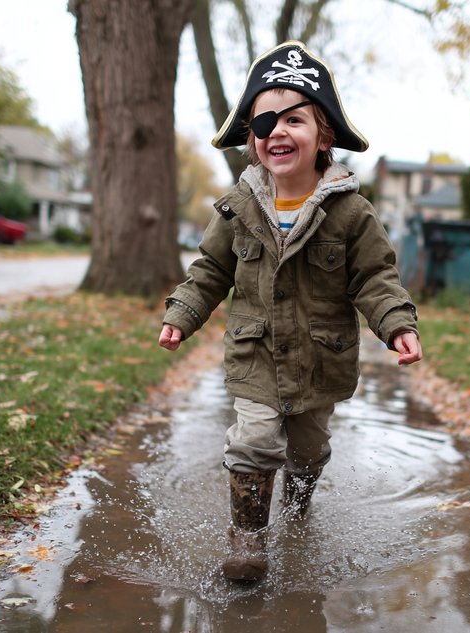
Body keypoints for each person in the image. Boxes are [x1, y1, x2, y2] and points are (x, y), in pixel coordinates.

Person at [158, 40, 422, 582]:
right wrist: (182, 314)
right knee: (253, 440)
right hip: (256, 353)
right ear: (253, 142)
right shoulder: (238, 209)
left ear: (323, 136)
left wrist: (396, 323)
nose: (277, 131)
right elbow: (210, 269)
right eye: (264, 122)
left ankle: (298, 503)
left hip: (319, 358)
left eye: (294, 119)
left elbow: (374, 276)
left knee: (308, 447)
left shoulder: (350, 212)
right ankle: (248, 540)